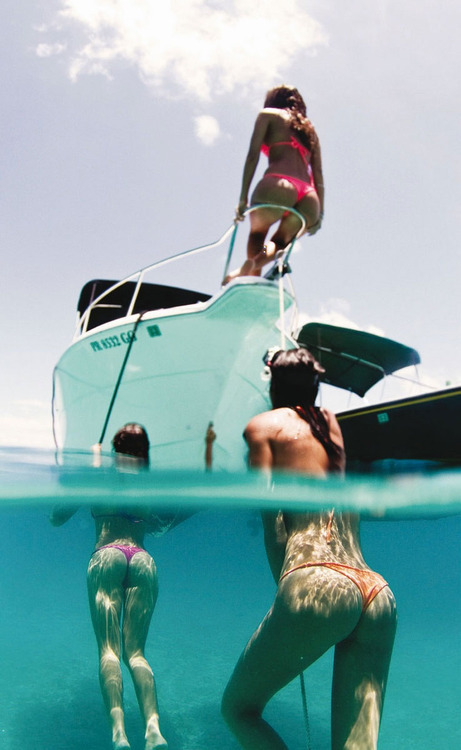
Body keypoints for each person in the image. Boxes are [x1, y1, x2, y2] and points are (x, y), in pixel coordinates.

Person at [221, 349, 397, 750]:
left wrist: (285, 595)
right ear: (316, 387)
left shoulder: (263, 426)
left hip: (314, 580)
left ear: (271, 384)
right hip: (377, 594)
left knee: (238, 709)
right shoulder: (330, 426)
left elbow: (273, 523)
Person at [50, 423, 216, 750]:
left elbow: (57, 517)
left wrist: (83, 475)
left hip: (107, 555)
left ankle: (119, 735)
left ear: (115, 451)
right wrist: (207, 447)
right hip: (142, 559)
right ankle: (154, 731)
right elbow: (165, 519)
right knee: (136, 653)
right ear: (146, 452)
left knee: (109, 652)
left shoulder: (98, 478)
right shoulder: (149, 484)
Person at [225, 85, 324, 282]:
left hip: (278, 183)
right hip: (309, 197)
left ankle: (251, 275)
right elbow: (319, 174)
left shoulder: (268, 115)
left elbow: (253, 157)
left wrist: (243, 197)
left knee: (257, 235)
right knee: (278, 242)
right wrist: (320, 214)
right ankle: (256, 263)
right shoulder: (310, 131)